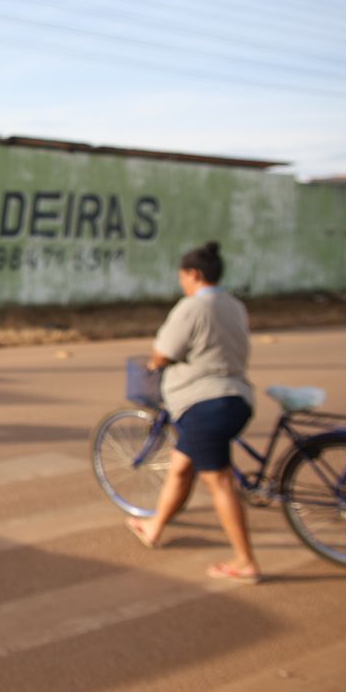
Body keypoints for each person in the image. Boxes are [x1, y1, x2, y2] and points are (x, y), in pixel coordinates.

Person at [124, 241, 260, 584]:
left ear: (194, 275)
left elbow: (163, 353)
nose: (181, 282)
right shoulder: (234, 305)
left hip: (204, 403)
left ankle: (246, 562)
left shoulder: (192, 307)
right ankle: (154, 527)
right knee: (181, 466)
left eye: (182, 276)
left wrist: (156, 363)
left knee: (220, 481)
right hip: (237, 397)